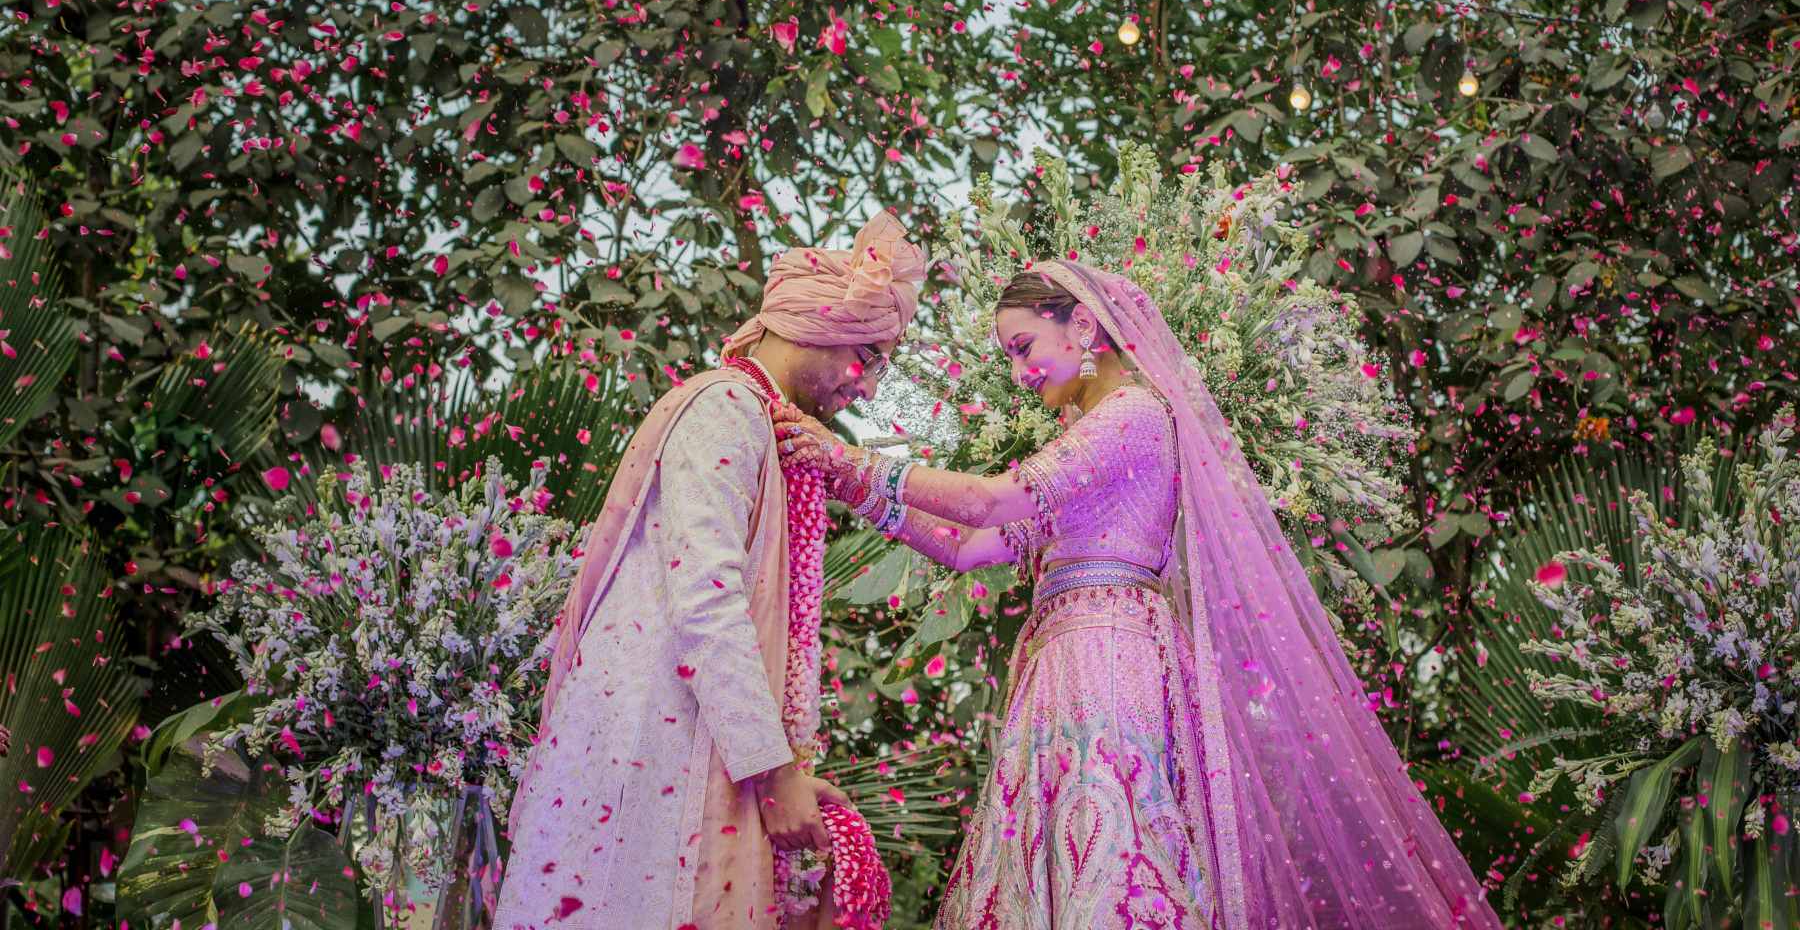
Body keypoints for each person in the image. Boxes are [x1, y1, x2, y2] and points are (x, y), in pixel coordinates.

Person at [775, 259, 1503, 929]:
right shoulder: (1092, 435)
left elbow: (990, 501)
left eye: (1024, 348)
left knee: (1112, 854)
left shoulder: (1135, 415)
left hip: (1110, 654)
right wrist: (851, 487)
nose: (1020, 374)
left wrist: (848, 457)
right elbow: (970, 546)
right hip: (1068, 659)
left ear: (1082, 324)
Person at [494, 212, 928, 930]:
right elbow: (707, 599)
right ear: (821, 326)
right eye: (870, 360)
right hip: (656, 739)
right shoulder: (726, 408)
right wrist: (775, 772)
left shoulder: (761, 419)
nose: (871, 391)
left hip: (696, 736)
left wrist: (780, 767)